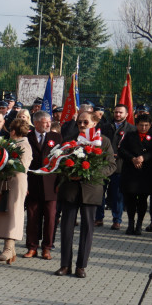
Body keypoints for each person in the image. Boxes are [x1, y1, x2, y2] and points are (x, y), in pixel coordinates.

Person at [55, 111, 113, 278]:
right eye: (79, 122)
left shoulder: (104, 141)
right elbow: (59, 163)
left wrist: (90, 173)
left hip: (91, 190)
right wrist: (68, 173)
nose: (81, 125)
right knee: (66, 229)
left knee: (87, 230)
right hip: (70, 190)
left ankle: (81, 266)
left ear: (94, 123)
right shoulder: (69, 140)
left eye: (85, 122)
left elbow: (111, 165)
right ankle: (65, 265)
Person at [0, 118, 32, 264]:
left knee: (14, 213)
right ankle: (10, 250)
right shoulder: (12, 144)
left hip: (16, 182)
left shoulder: (23, 145)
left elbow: (22, 166)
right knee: (4, 211)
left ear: (13, 131)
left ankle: (8, 248)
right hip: (7, 181)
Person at [23, 111, 60, 259]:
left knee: (51, 218)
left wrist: (59, 183)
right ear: (36, 123)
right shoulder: (28, 137)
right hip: (33, 183)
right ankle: (32, 247)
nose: (48, 124)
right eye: (45, 122)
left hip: (51, 185)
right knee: (32, 217)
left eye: (49, 122)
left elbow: (60, 161)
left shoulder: (56, 137)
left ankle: (47, 247)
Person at [118, 113, 152, 235]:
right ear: (136, 125)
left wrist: (143, 158)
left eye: (146, 125)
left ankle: (139, 224)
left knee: (143, 200)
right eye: (141, 125)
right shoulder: (130, 135)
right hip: (130, 172)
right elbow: (121, 150)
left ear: (150, 125)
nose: (144, 128)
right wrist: (133, 159)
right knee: (130, 200)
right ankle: (130, 223)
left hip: (145, 173)